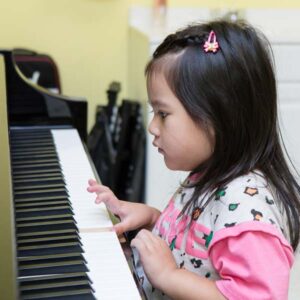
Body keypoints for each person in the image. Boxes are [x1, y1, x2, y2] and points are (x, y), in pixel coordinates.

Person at [87, 19, 300, 299]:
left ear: (219, 117)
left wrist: (169, 276)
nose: (153, 127)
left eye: (163, 114)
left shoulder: (247, 212)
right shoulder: (209, 173)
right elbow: (200, 247)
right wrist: (153, 220)